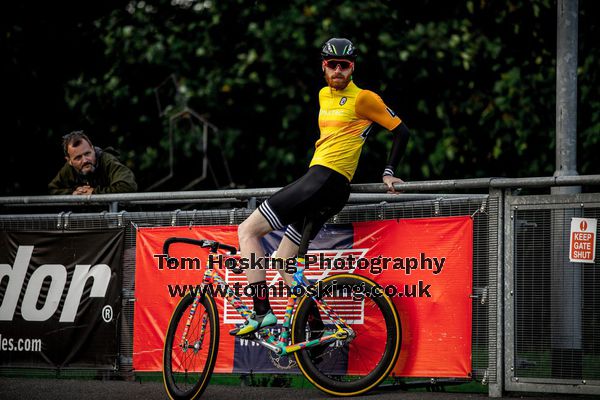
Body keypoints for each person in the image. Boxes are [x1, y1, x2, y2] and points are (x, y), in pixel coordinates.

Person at [230, 38, 411, 336]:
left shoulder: (363, 98)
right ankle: (316, 329)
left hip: (325, 180)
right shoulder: (323, 95)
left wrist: (389, 172)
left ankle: (261, 311)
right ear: (323, 67)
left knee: (247, 231)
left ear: (352, 68)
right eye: (332, 65)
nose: (338, 71)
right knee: (283, 263)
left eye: (344, 65)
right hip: (326, 187)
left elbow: (401, 131)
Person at [48, 131, 138, 195]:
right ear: (69, 161)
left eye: (87, 153)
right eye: (78, 158)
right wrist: (73, 193)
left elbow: (128, 187)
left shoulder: (107, 161)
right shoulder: (68, 169)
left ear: (92, 148)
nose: (85, 160)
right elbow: (52, 189)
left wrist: (94, 192)